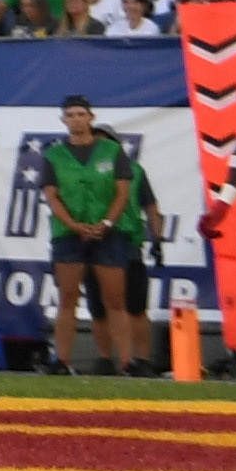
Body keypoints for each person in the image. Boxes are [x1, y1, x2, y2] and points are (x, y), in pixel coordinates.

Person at [40, 96, 152, 374]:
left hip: (108, 233)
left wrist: (107, 222)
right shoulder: (54, 155)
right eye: (70, 115)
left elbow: (123, 192)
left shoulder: (112, 152)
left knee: (115, 300)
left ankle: (127, 361)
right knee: (67, 298)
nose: (76, 119)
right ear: (63, 120)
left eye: (81, 114)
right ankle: (61, 360)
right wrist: (75, 225)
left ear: (91, 117)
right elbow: (51, 196)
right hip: (68, 232)